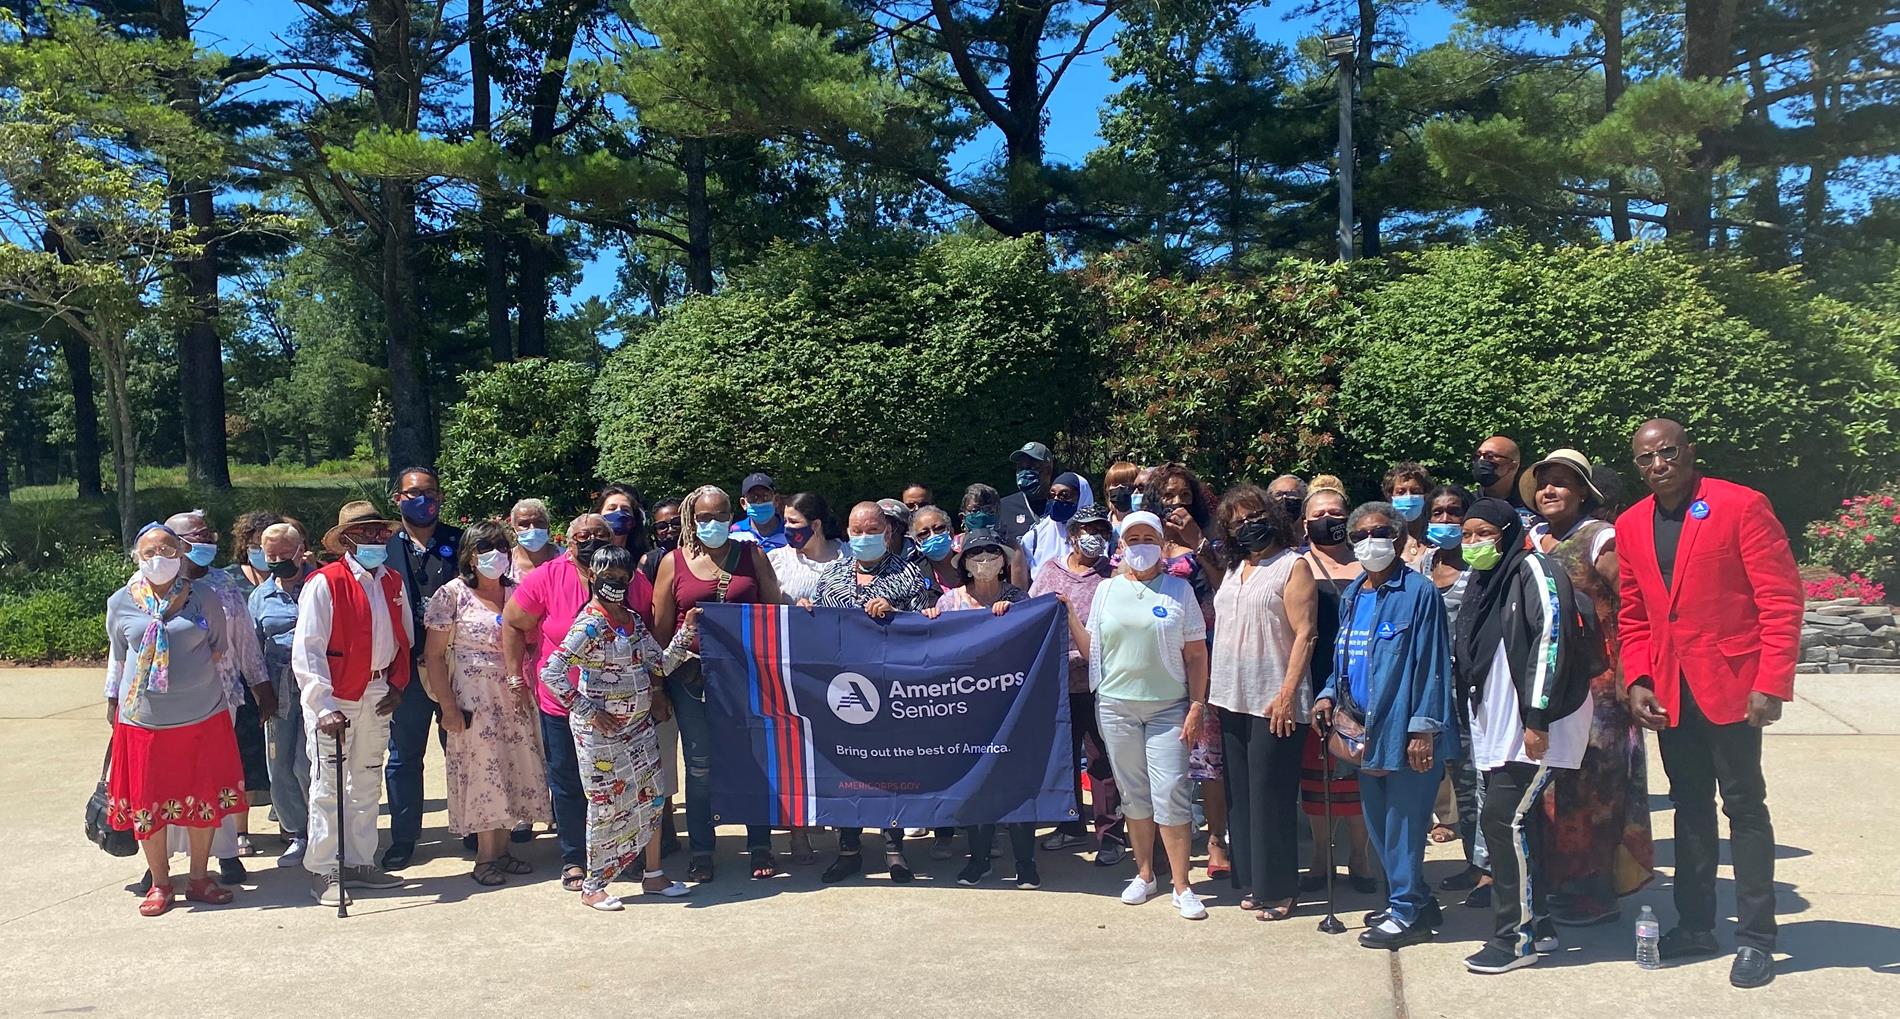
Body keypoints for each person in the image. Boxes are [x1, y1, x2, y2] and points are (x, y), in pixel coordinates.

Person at [1616, 419, 1799, 989]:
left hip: (1733, 685)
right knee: (1690, 806)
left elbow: (1779, 597)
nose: (1658, 465)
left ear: (1690, 452)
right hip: (1670, 691)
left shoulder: (1739, 505)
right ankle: (1695, 925)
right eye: (1646, 458)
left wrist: (1771, 681)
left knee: (1744, 808)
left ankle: (1756, 939)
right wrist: (1638, 677)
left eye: (1668, 452)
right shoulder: (1630, 523)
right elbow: (1633, 613)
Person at [1453, 498, 1592, 974]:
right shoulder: (1486, 581)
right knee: (1521, 823)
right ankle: (1541, 924)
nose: (1472, 543)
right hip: (1502, 725)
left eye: (1483, 533)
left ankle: (1514, 938)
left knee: (1501, 821)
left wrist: (1537, 718)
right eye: (1467, 534)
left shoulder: (1534, 568)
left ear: (1509, 532)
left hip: (1536, 724)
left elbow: (1551, 637)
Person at [1311, 501, 1455, 951]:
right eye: (1360, 535)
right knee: (1377, 824)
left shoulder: (1419, 593)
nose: (1370, 542)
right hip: (1360, 732)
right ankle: (1414, 899)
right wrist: (1327, 693)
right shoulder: (1355, 593)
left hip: (1404, 732)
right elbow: (1344, 656)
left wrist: (1423, 728)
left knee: (1403, 826)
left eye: (1379, 533)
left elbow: (1432, 665)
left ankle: (1406, 911)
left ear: (1396, 538)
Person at [1523, 449, 1655, 929]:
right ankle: (1560, 881)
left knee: (1597, 786)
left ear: (1583, 493)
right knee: (1553, 786)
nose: (1550, 491)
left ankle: (1596, 888)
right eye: (1544, 483)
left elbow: (1634, 601)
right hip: (1547, 682)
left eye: (1562, 483)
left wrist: (1633, 673)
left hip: (1599, 684)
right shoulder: (1532, 539)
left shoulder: (1600, 538)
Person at [504, 513, 658, 894]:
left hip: (626, 710)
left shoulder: (630, 578)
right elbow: (512, 622)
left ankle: (626, 856)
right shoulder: (547, 576)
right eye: (582, 535)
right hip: (567, 704)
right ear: (568, 542)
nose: (590, 540)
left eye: (599, 535)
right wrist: (514, 676)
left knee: (629, 785)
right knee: (572, 785)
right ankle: (575, 860)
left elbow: (643, 633)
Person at [103, 523, 247, 916]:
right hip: (144, 723)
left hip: (202, 716)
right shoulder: (120, 603)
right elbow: (119, 656)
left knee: (203, 799)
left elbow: (219, 648)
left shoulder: (203, 597)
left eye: (167, 550)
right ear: (137, 559)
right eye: (149, 553)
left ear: (181, 555)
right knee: (149, 804)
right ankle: (161, 883)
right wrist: (112, 703)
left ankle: (199, 877)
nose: (158, 559)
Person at [539, 544, 694, 909]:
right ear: (592, 576)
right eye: (608, 577)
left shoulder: (632, 620)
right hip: (600, 733)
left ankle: (653, 875)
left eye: (623, 578)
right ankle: (594, 885)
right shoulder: (590, 624)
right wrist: (588, 710)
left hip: (638, 726)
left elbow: (660, 663)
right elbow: (551, 672)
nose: (616, 584)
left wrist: (686, 632)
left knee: (652, 797)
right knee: (605, 804)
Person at [125, 510, 272, 886]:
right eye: (197, 535)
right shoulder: (135, 589)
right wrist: (114, 697)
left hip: (219, 701)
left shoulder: (220, 586)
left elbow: (241, 643)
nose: (206, 541)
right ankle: (158, 867)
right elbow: (122, 651)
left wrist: (261, 685)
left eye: (209, 534)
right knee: (164, 788)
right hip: (157, 708)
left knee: (211, 785)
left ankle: (225, 855)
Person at [1081, 511, 1211, 920]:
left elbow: (1196, 654)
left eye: (1148, 538)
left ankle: (1182, 885)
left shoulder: (1179, 590)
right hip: (1116, 706)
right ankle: (1143, 874)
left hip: (1168, 707)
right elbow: (1094, 649)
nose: (1140, 545)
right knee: (1133, 794)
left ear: (1162, 544)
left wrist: (1196, 704)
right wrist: (1067, 612)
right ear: (1120, 545)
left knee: (1171, 792)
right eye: (1132, 538)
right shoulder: (1104, 591)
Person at [653, 484, 785, 882]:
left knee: (752, 758)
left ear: (733, 515)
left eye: (721, 515)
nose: (713, 523)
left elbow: (775, 613)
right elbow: (659, 630)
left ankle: (760, 843)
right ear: (692, 519)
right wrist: (658, 684)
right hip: (690, 676)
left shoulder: (752, 554)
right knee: (700, 765)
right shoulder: (673, 563)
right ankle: (703, 848)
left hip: (745, 675)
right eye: (704, 517)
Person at [291, 501, 413, 906]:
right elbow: (307, 651)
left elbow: (403, 637)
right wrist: (323, 705)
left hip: (378, 690)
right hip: (336, 696)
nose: (376, 539)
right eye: (366, 533)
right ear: (347, 540)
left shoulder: (392, 580)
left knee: (365, 781)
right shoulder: (325, 582)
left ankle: (361, 861)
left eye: (380, 532)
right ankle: (324, 868)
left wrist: (398, 683)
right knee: (328, 786)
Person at [809, 501, 935, 884]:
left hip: (890, 689)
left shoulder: (909, 575)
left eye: (871, 529)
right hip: (841, 690)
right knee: (844, 768)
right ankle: (848, 849)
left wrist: (897, 614)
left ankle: (894, 848)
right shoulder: (830, 576)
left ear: (888, 532)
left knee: (888, 768)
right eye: (856, 530)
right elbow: (812, 632)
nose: (863, 536)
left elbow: (928, 632)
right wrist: (804, 613)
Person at [1209, 485, 1317, 922]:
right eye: (1237, 521)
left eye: (1254, 515)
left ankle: (1281, 890)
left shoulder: (1293, 567)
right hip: (1231, 697)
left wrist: (1288, 694)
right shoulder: (1236, 568)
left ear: (1271, 515)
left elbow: (1306, 633)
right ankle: (1253, 880)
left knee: (1271, 796)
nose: (1248, 525)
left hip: (1275, 698)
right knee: (1241, 797)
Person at [423, 520, 551, 887]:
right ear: (469, 555)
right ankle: (484, 856)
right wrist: (447, 707)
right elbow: (433, 656)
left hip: (515, 693)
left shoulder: (519, 591)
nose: (493, 554)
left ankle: (504, 849)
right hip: (473, 695)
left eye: (499, 546)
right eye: (483, 548)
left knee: (513, 766)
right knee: (483, 771)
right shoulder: (452, 594)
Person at [924, 528, 1037, 887]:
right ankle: (980, 859)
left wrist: (1016, 613)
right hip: (964, 710)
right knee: (974, 786)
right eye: (976, 554)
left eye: (992, 553)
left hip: (1012, 707)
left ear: (1004, 561)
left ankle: (1025, 861)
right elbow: (936, 651)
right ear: (964, 564)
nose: (984, 560)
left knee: (1016, 784)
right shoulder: (950, 603)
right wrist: (928, 622)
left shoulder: (1019, 598)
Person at [1143, 463, 1228, 878]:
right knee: (1162, 755)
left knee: (1208, 754)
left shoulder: (1210, 539)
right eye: (1168, 496)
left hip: (1204, 653)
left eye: (1184, 495)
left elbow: (1226, 586)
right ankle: (1163, 842)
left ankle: (1216, 840)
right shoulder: (1143, 541)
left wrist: (1198, 543)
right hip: (1156, 658)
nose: (1177, 503)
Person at [1028, 504, 1125, 866]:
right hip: (1056, 683)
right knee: (1063, 757)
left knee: (1101, 761)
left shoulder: (1114, 576)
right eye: (1087, 530)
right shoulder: (1049, 573)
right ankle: (1070, 825)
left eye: (1102, 530)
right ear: (1071, 535)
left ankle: (1111, 834)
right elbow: (1030, 617)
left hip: (1100, 682)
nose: (1094, 537)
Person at [382, 466, 463, 871]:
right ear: (397, 498)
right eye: (412, 493)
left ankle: (469, 826)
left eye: (429, 492)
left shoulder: (459, 542)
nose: (422, 500)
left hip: (454, 666)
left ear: (441, 497)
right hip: (405, 670)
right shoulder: (382, 548)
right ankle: (403, 837)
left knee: (462, 747)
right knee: (403, 756)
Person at [1297, 478, 1375, 893]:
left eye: (1335, 514)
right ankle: (1320, 857)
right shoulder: (1296, 565)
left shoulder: (1369, 563)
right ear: (1304, 523)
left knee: (1355, 773)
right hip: (1312, 684)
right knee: (1317, 777)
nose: (1328, 521)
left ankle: (1360, 856)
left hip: (1361, 686)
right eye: (1318, 515)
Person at [1415, 484, 1490, 902]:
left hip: (1473, 691)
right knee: (1457, 781)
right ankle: (1471, 862)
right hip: (1434, 689)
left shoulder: (1479, 566)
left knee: (1479, 779)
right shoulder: (1424, 561)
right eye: (1437, 513)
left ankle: (1489, 871)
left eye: (1453, 512)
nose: (1445, 520)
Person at [248, 522, 314, 869]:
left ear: (302, 550)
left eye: (284, 556)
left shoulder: (321, 584)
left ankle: (323, 830)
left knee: (309, 762)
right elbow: (252, 647)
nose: (277, 562)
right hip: (277, 687)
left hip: (317, 684)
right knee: (280, 765)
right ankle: (296, 832)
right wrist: (260, 694)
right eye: (270, 557)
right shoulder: (260, 597)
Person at [767, 492, 841, 606]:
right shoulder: (776, 560)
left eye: (793, 521)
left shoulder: (848, 555)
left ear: (816, 525)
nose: (786, 526)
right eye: (785, 521)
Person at [959, 483, 1031, 589]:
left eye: (988, 510)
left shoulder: (1011, 547)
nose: (982, 515)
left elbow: (1019, 593)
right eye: (975, 510)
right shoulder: (955, 547)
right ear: (962, 516)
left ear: (997, 514)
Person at [1020, 471, 1084, 574]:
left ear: (1082, 497)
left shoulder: (1097, 536)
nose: (1056, 500)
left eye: (1064, 495)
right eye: (1052, 495)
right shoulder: (1033, 538)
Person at [998, 441, 1056, 545]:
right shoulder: (1004, 507)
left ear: (1048, 470)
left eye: (1032, 467)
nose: (1025, 472)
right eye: (1021, 468)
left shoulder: (1062, 504)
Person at [1472, 435, 1533, 525]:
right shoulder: (1467, 504)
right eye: (1478, 456)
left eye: (1489, 456)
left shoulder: (1532, 505)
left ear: (1512, 466)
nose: (1481, 461)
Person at [1382, 462, 1434, 568]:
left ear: (1426, 495)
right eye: (1401, 492)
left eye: (1415, 491)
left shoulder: (1436, 537)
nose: (1409, 497)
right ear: (1390, 497)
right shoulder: (1384, 539)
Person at [908, 503, 963, 594]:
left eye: (938, 528)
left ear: (951, 531)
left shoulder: (971, 565)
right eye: (924, 533)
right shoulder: (913, 576)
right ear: (917, 541)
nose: (933, 536)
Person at [729, 472, 790, 552]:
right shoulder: (735, 531)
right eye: (753, 498)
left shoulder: (789, 531)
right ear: (743, 503)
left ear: (776, 500)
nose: (759, 502)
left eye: (765, 496)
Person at [227, 509, 282, 595]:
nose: (263, 552)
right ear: (244, 546)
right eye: (254, 546)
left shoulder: (292, 577)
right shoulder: (227, 579)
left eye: (267, 546)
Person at [508, 498, 560, 581]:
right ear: (513, 530)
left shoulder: (567, 558)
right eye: (524, 524)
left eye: (539, 522)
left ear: (548, 527)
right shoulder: (505, 563)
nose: (532, 528)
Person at [599, 482, 649, 558]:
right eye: (612, 508)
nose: (619, 512)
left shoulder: (645, 560)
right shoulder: (587, 556)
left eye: (625, 510)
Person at [639, 498, 682, 582]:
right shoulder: (648, 561)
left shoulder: (703, 554)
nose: (670, 529)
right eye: (662, 526)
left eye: (676, 522)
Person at [1102, 460, 1141, 531]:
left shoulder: (1144, 523)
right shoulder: (1101, 524)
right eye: (1115, 485)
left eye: (1126, 484)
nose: (1120, 488)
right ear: (1107, 489)